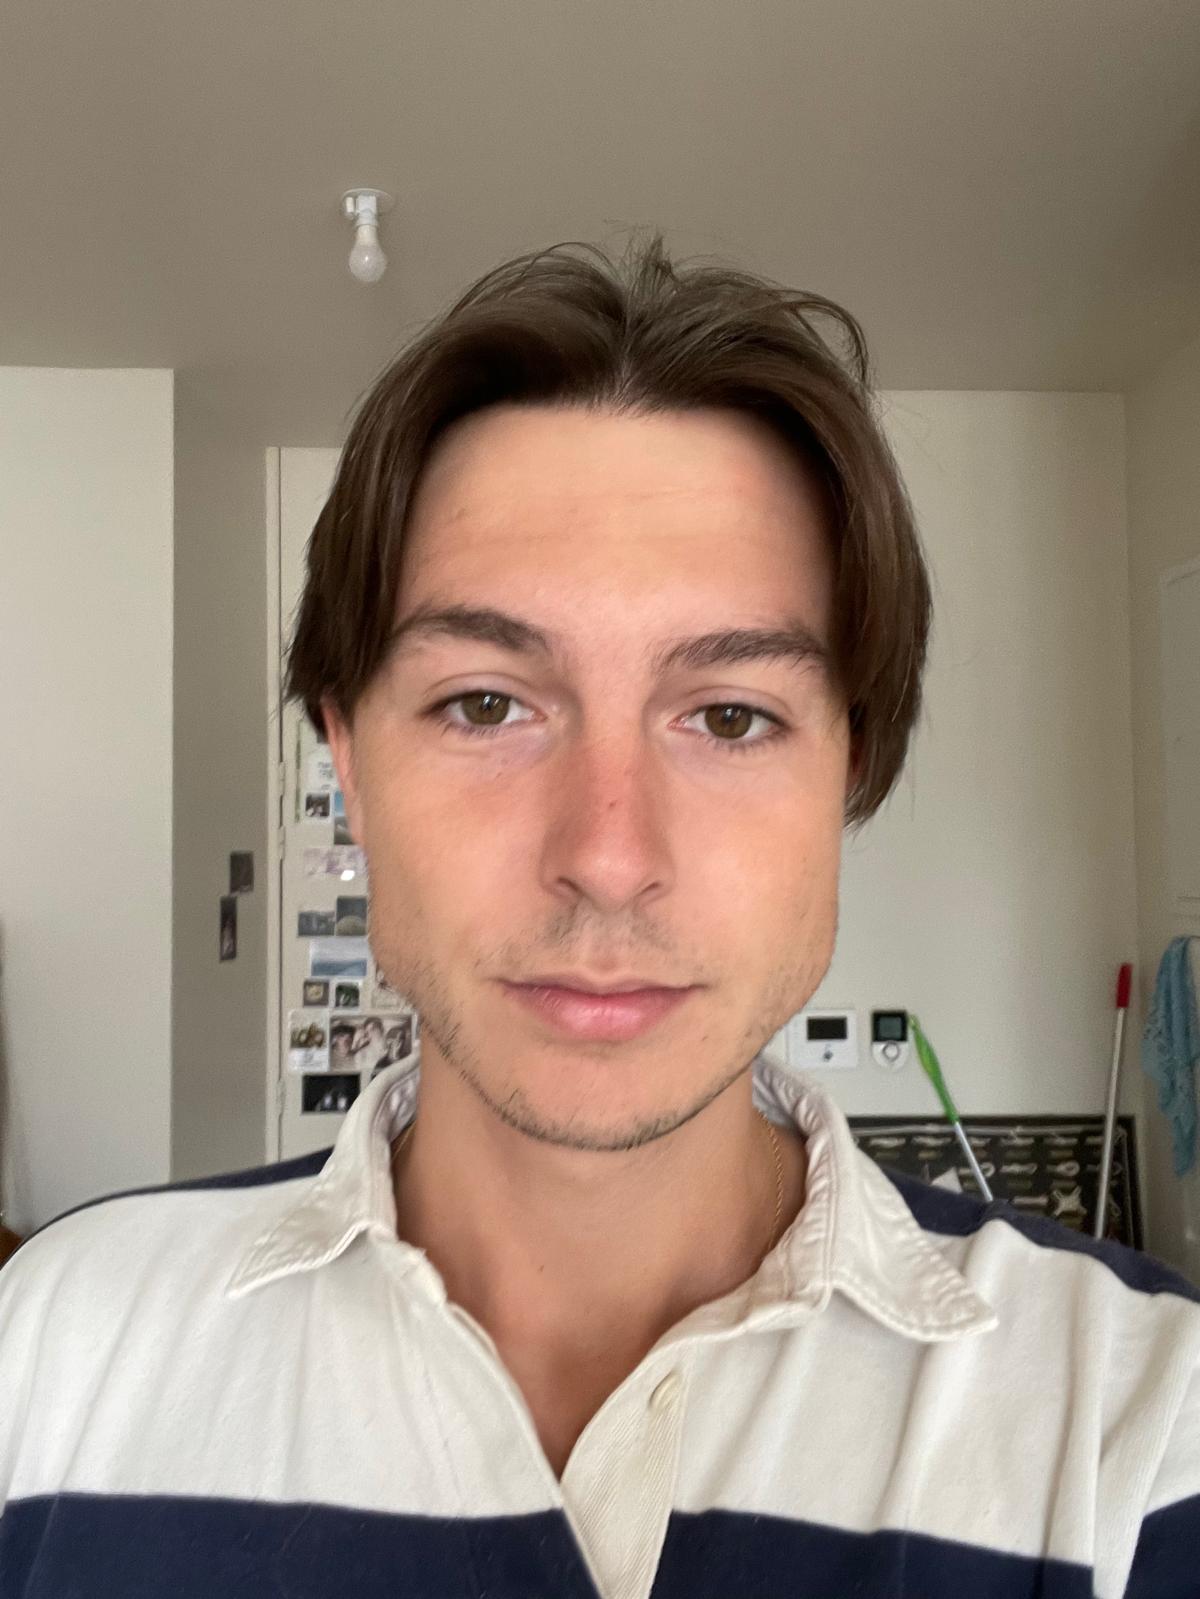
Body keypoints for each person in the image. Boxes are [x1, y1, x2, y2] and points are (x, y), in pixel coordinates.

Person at [1, 232, 1196, 1598]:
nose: (609, 858)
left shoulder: (1140, 1426)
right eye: (485, 704)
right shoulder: (50, 1352)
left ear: (849, 772)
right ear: (348, 759)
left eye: (731, 717)